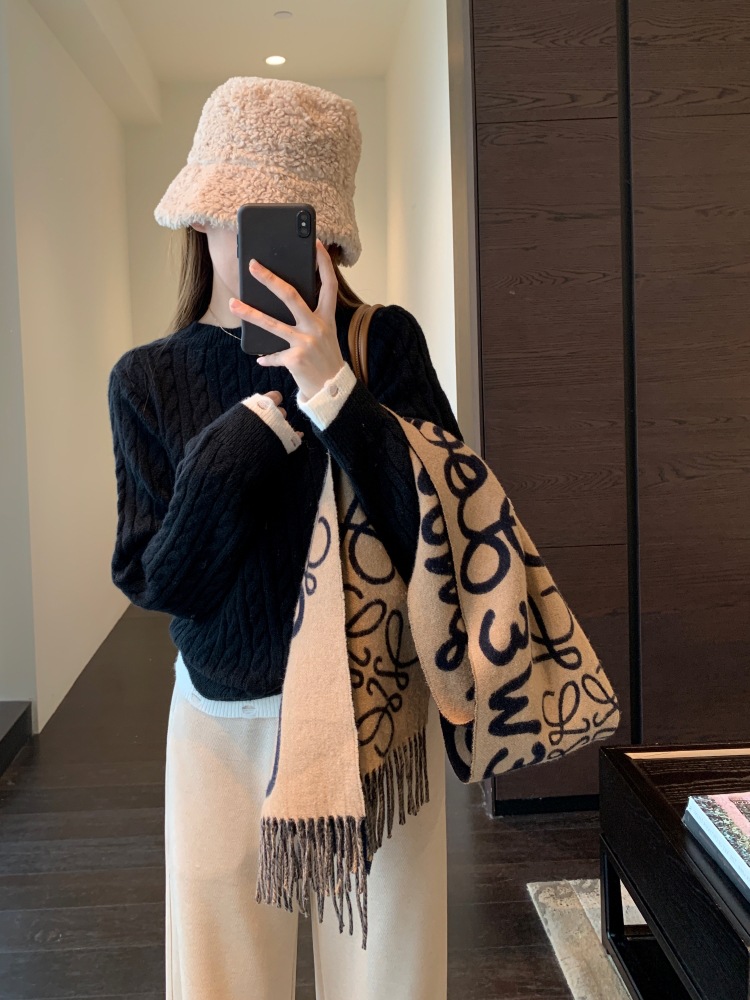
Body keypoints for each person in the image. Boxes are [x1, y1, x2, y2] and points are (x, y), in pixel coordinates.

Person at [107, 75, 463, 1000]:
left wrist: (335, 389)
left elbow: (436, 533)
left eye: (287, 226)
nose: (255, 248)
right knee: (222, 982)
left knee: (390, 983)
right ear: (201, 221)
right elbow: (163, 582)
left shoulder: (386, 346)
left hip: (375, 718)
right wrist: (244, 440)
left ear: (326, 238)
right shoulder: (148, 380)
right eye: (236, 217)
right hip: (220, 726)